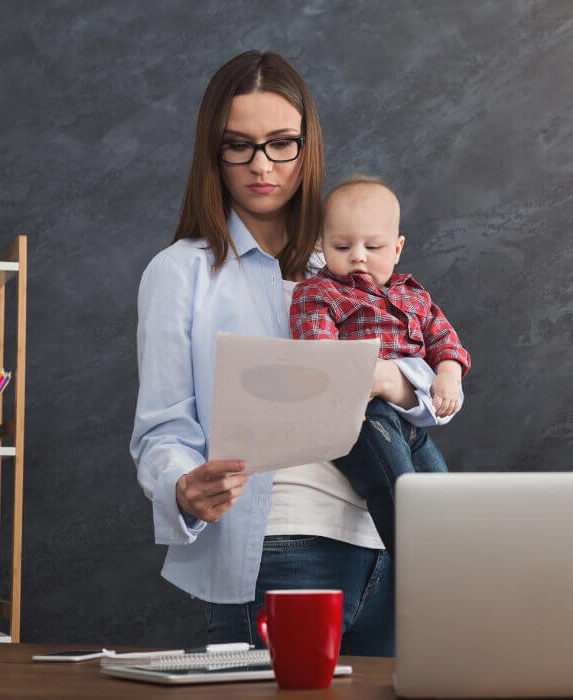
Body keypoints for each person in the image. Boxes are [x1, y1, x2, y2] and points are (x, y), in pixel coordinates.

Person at [129, 50, 455, 656]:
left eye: (281, 143)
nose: (262, 165)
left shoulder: (346, 259)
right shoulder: (183, 273)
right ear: (212, 150)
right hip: (278, 549)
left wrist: (389, 378)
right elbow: (161, 431)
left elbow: (427, 389)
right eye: (239, 145)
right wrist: (181, 486)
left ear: (309, 148)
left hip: (386, 548)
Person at [289, 176, 472, 558]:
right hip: (361, 416)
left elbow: (446, 342)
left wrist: (449, 376)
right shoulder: (318, 293)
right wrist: (364, 374)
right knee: (398, 492)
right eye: (342, 245)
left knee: (444, 500)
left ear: (397, 248)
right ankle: (420, 571)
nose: (358, 256)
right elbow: (321, 356)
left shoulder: (413, 295)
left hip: (410, 426)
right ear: (321, 244)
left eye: (373, 246)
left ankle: (457, 571)